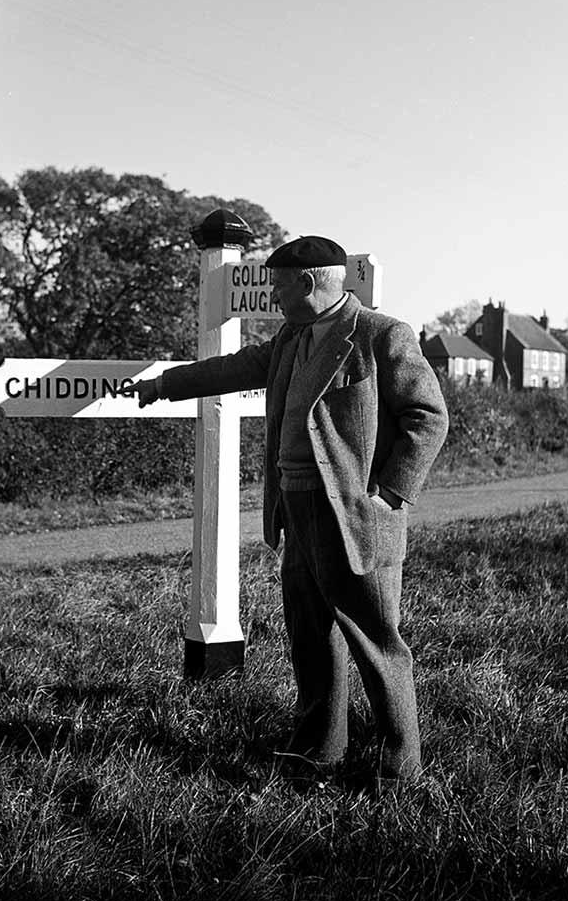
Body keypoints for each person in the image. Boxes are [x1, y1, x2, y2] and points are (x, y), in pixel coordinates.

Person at [135, 235, 448, 781]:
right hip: (296, 509)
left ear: (308, 282)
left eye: (279, 286)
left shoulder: (380, 334)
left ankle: (400, 770)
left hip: (355, 517)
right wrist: (165, 384)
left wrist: (389, 495)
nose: (275, 296)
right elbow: (233, 369)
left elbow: (428, 416)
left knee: (376, 640)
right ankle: (317, 751)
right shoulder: (290, 339)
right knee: (310, 633)